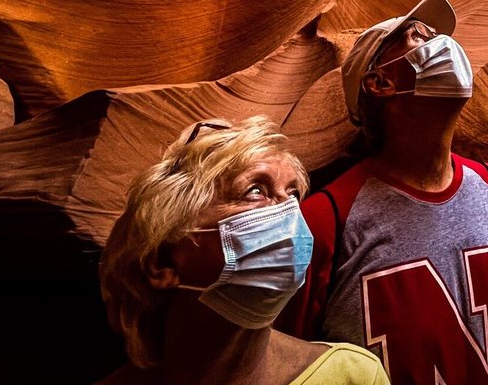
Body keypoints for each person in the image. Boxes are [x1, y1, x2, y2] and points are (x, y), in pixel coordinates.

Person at [278, 0, 488, 385]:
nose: (443, 45)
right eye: (417, 37)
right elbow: (291, 364)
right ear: (380, 82)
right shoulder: (325, 220)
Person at [99, 115, 390, 385]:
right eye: (255, 191)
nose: (290, 216)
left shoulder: (353, 376)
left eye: (293, 196)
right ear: (162, 264)